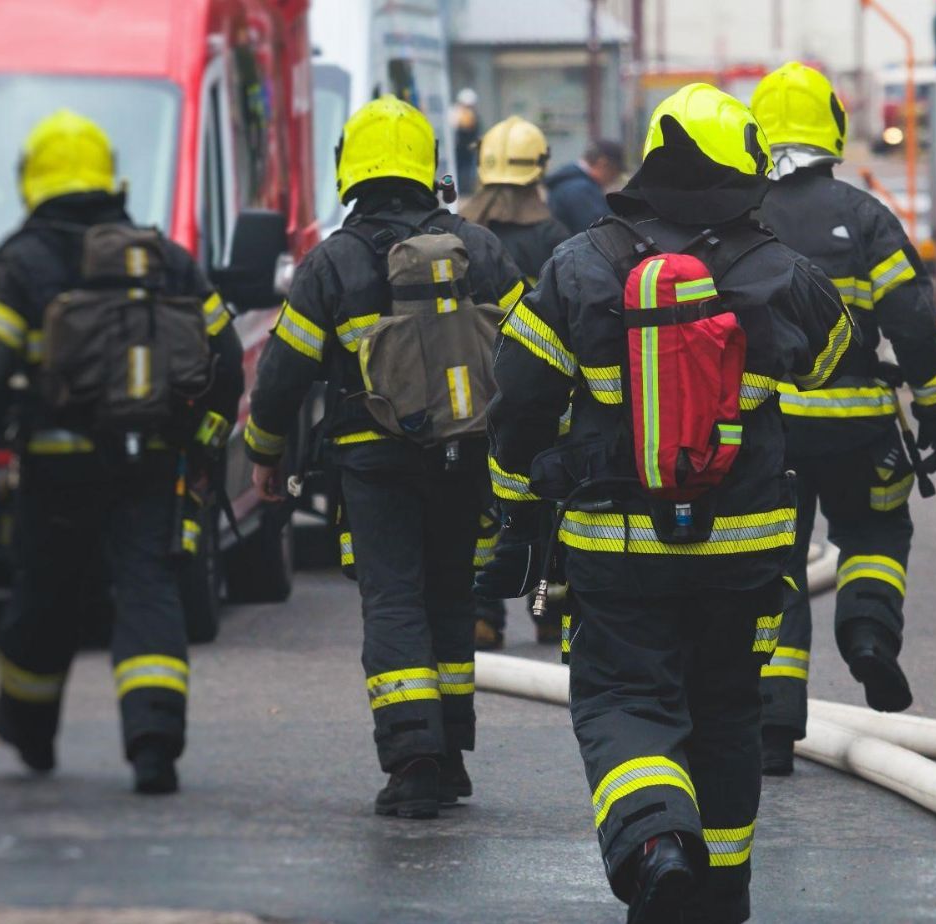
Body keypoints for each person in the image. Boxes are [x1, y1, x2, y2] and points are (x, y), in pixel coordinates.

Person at [476, 84, 851, 923]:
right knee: (725, 710)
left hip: (616, 545)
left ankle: (654, 847)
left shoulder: (581, 263)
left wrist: (518, 501)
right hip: (745, 548)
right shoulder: (776, 268)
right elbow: (832, 357)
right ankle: (719, 894)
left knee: (623, 700)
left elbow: (518, 401)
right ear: (742, 169)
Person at [243, 96, 526, 820]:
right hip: (466, 454)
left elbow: (281, 378)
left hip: (375, 462)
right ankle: (452, 752)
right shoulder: (481, 249)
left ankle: (414, 760)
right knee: (450, 596)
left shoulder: (333, 262)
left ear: (352, 169)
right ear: (427, 167)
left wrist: (264, 454)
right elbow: (534, 351)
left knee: (394, 599)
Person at [0, 110, 244, 795]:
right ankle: (154, 744)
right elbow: (225, 359)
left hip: (54, 471)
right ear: (111, 177)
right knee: (148, 591)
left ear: (35, 179)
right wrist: (201, 446)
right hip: (150, 465)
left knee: (44, 599)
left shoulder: (21, 263)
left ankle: (30, 732)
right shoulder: (164, 257)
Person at [750, 62, 936, 776]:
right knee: (873, 530)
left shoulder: (736, 219)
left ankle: (772, 728)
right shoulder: (864, 216)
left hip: (765, 435)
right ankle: (868, 634)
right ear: (831, 129)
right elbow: (913, 323)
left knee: (771, 564)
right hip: (859, 425)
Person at [459, 114, 570, 650]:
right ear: (538, 169)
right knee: (544, 497)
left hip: (468, 394)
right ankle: (550, 609)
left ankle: (482, 615)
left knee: (482, 505)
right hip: (539, 395)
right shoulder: (554, 236)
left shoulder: (460, 232)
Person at [545, 138, 624, 234]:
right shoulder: (581, 190)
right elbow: (599, 233)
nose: (614, 179)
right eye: (615, 172)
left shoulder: (570, 182)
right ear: (603, 164)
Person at [451, 88, 482, 195]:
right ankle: (461, 190)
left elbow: (476, 133)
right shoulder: (455, 114)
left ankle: (467, 190)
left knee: (469, 170)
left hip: (469, 149)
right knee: (460, 170)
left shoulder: (475, 116)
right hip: (458, 149)